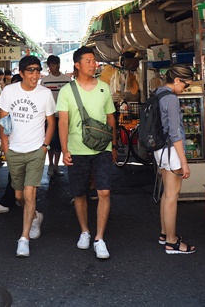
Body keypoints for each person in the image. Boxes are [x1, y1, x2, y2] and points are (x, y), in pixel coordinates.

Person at [56, 46, 116, 260]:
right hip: (77, 150)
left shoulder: (104, 88)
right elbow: (63, 122)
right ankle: (85, 231)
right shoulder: (66, 91)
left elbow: (111, 119)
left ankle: (99, 238)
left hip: (102, 149)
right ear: (77, 65)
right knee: (79, 193)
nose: (94, 65)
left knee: (104, 192)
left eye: (95, 61)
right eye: (89, 61)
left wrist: (114, 146)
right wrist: (64, 149)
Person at [0, 56, 56, 257]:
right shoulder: (9, 91)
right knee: (19, 195)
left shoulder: (45, 93)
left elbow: (51, 121)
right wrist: (6, 149)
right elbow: (3, 121)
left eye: (38, 70)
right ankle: (36, 216)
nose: (35, 75)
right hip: (14, 151)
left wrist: (45, 146)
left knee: (30, 194)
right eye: (30, 71)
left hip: (35, 151)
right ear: (21, 73)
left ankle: (24, 238)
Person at [154, 65, 196, 255]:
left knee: (166, 193)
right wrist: (184, 161)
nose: (185, 89)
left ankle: (165, 234)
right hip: (172, 151)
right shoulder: (171, 98)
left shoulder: (159, 93)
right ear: (177, 80)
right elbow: (175, 133)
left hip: (161, 150)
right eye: (186, 86)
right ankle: (172, 242)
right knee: (173, 196)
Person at [0, 74, 24, 215]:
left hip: (24, 146)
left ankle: (12, 202)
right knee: (16, 176)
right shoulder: (12, 101)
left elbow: (5, 126)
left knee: (17, 176)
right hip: (17, 146)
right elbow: (5, 126)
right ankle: (15, 201)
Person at [40, 55, 73, 177]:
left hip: (63, 116)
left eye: (53, 65)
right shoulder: (45, 80)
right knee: (50, 141)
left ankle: (56, 165)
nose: (51, 68)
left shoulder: (67, 80)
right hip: (50, 116)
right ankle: (50, 166)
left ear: (58, 65)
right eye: (49, 66)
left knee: (60, 141)